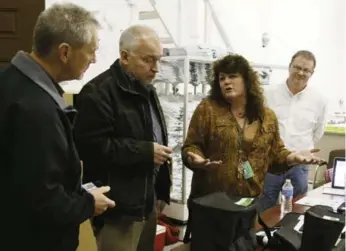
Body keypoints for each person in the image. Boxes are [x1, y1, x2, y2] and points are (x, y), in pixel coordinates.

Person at [0, 3, 115, 251]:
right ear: (64, 52)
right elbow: (42, 200)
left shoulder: (9, 79)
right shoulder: (37, 110)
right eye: (91, 51)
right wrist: (88, 203)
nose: (94, 59)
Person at [73, 25, 172, 251]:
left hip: (146, 204)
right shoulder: (97, 93)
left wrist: (161, 191)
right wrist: (145, 152)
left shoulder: (147, 89)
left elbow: (156, 138)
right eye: (148, 60)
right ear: (125, 57)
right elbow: (91, 148)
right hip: (118, 211)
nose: (156, 68)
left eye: (158, 60)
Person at [181, 54, 324, 206]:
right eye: (222, 78)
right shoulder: (208, 109)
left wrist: (292, 157)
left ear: (246, 80)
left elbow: (275, 152)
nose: (226, 82)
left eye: (233, 76)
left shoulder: (266, 116)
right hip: (211, 199)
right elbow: (191, 145)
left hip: (248, 199)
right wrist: (195, 158)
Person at [259, 50, 328, 211]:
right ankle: (263, 236)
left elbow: (318, 131)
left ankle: (290, 236)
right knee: (265, 205)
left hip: (300, 164)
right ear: (289, 67)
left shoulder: (319, 100)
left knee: (298, 207)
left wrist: (302, 150)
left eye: (306, 70)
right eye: (297, 67)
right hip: (271, 161)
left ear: (312, 73)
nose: (301, 72)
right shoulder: (268, 94)